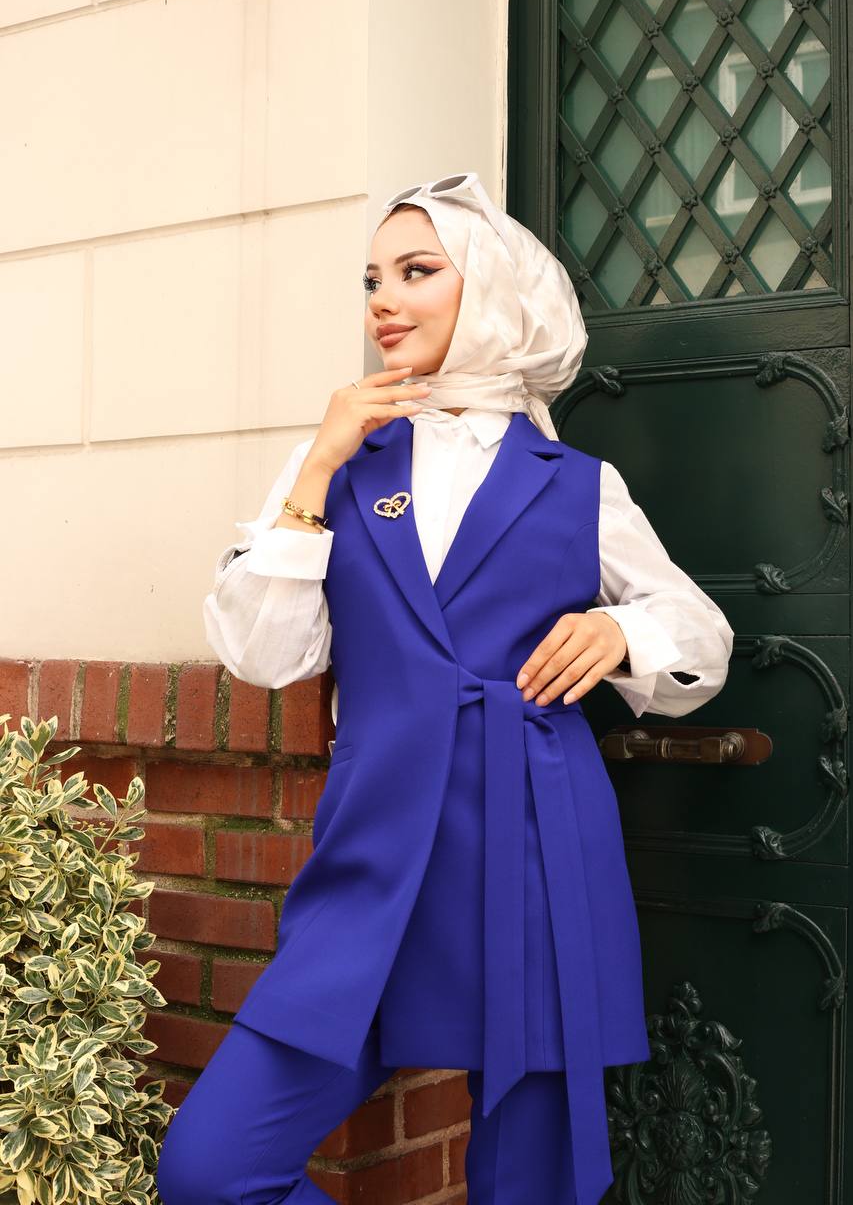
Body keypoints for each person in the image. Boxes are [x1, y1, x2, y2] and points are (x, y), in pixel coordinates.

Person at [158, 173, 734, 1205]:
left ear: (495, 293)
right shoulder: (337, 459)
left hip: (538, 850)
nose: (382, 297)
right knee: (209, 1168)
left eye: (416, 272)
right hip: (375, 864)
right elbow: (262, 651)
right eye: (372, 277)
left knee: (532, 1181)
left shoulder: (576, 482)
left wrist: (619, 628)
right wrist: (313, 473)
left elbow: (701, 634)